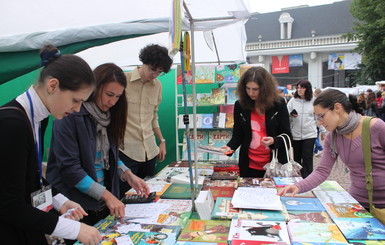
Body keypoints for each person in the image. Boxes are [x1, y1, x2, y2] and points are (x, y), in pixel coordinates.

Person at [0, 44, 102, 244]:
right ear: (53, 86)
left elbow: (33, 178)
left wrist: (60, 201)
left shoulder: (39, 116)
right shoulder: (12, 125)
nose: (76, 109)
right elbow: (8, 205)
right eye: (75, 100)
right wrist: (73, 229)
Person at [47, 63, 150, 230]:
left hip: (101, 202)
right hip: (77, 207)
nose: (112, 102)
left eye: (118, 97)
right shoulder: (69, 115)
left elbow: (109, 156)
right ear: (95, 87)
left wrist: (128, 175)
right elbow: (70, 169)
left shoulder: (108, 116)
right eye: (109, 94)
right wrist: (107, 196)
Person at [278, 89, 385, 210]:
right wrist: (299, 186)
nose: (319, 122)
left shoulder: (375, 127)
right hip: (357, 202)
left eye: (321, 116)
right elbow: (322, 170)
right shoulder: (333, 137)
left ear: (337, 108)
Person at [119, 44, 173, 195]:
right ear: (143, 62)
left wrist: (161, 140)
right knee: (126, 196)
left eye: (160, 72)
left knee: (149, 194)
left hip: (150, 151)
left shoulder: (158, 86)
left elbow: (154, 115)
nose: (154, 74)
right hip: (126, 150)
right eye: (152, 69)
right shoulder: (124, 80)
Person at [221, 66, 292, 178]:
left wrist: (274, 140)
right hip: (248, 165)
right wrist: (230, 147)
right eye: (247, 88)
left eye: (255, 89)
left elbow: (287, 135)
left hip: (274, 164)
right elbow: (238, 134)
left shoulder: (278, 104)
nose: (251, 93)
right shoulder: (240, 105)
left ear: (265, 88)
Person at [287, 80, 325, 178]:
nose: (299, 90)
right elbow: (286, 116)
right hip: (295, 134)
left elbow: (319, 117)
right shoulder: (292, 101)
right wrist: (291, 115)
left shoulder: (313, 101)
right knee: (297, 158)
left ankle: (308, 178)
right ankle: (297, 177)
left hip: (310, 134)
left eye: (302, 87)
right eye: (298, 88)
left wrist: (323, 131)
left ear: (307, 89)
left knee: (307, 157)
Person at [313, 88, 324, 156]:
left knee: (314, 137)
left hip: (315, 121)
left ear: (316, 93)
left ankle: (320, 148)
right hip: (319, 121)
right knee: (317, 136)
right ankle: (316, 151)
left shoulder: (315, 101)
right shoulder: (322, 101)